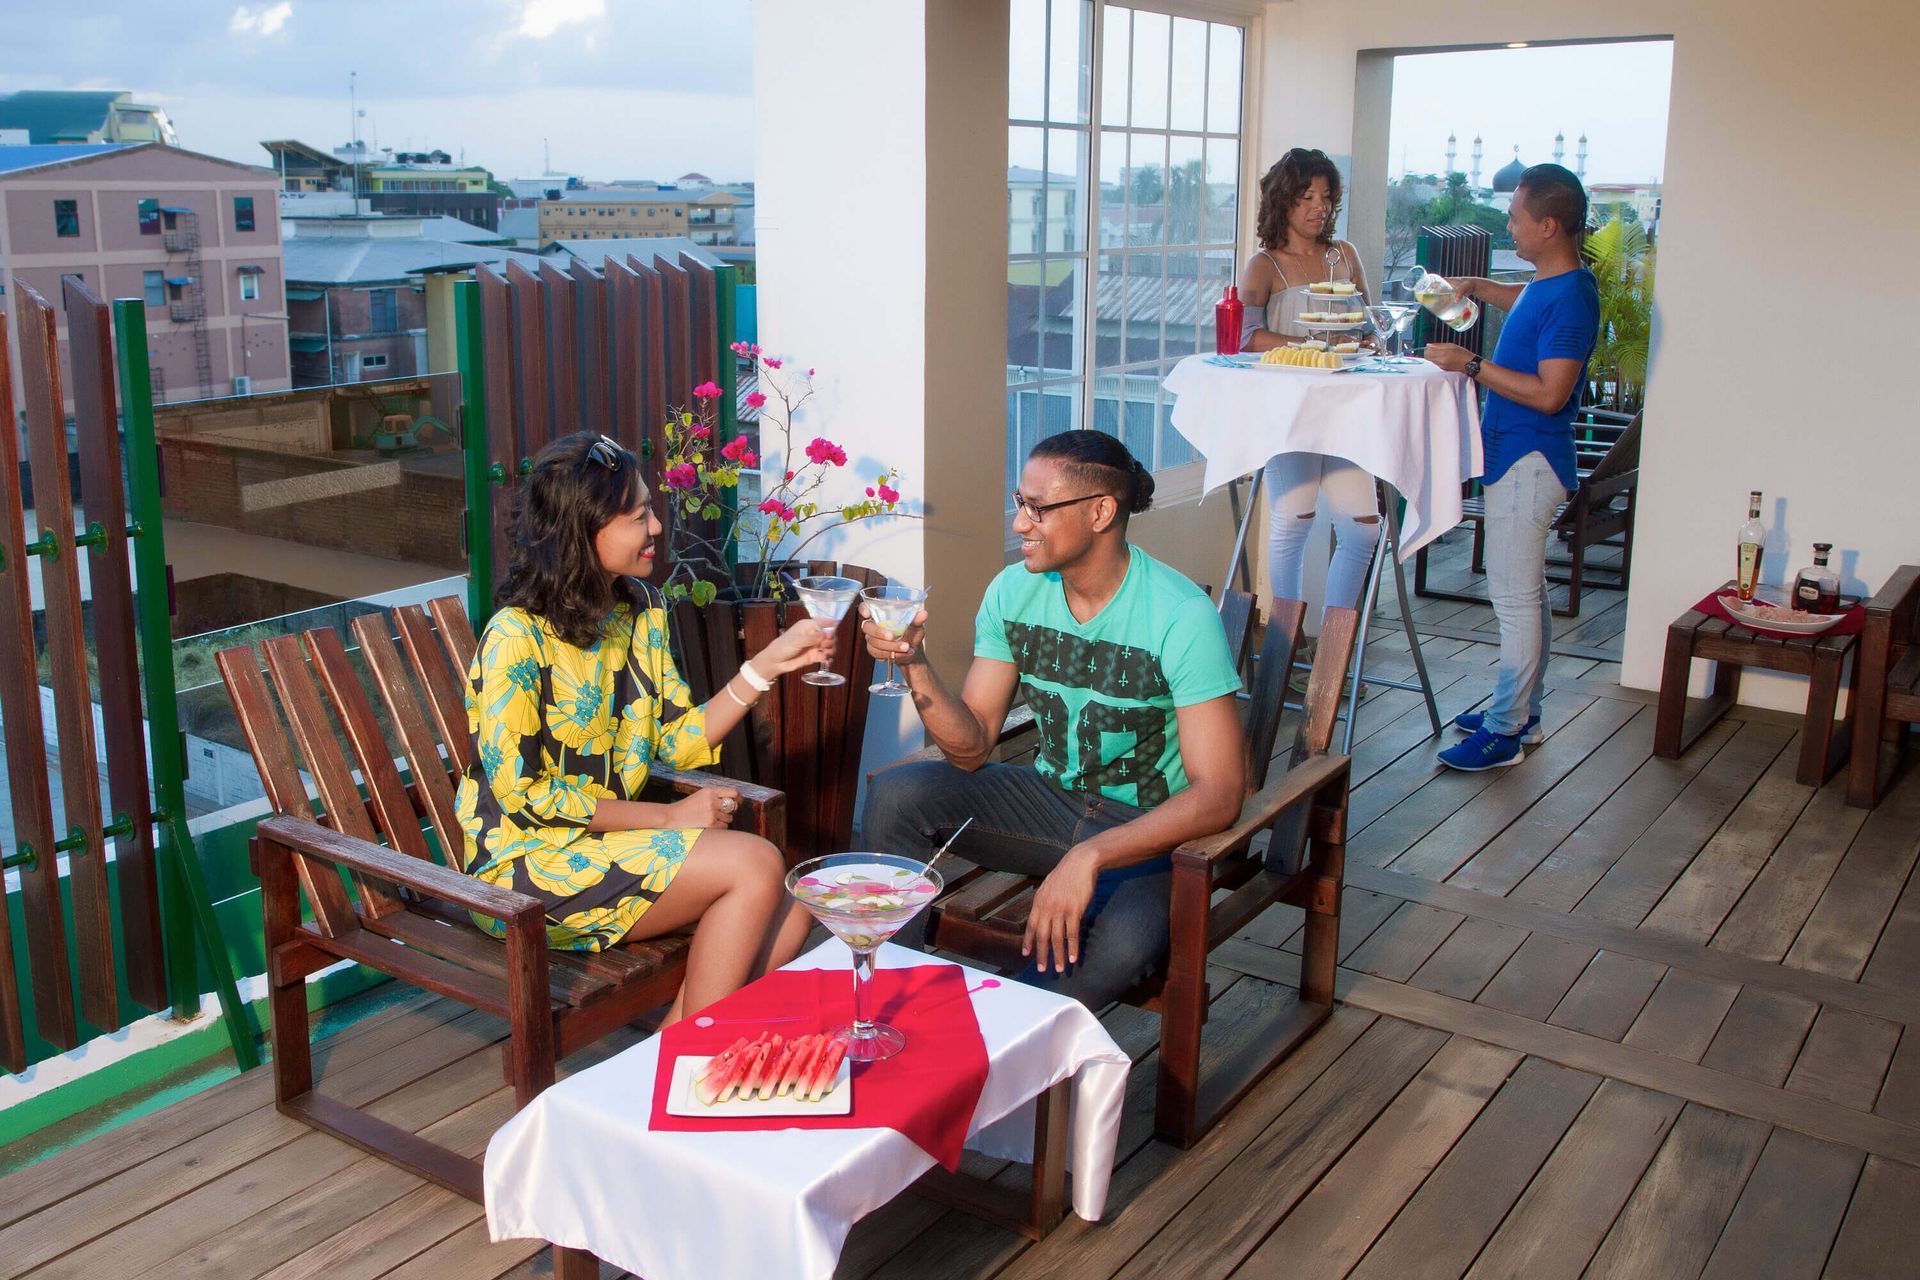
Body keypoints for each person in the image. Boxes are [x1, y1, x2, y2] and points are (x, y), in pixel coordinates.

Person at [455, 431, 833, 1023]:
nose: (656, 527)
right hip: (524, 871)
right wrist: (669, 816)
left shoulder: (639, 610)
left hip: (609, 846)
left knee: (798, 901)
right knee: (757, 867)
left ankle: (669, 1058)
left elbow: (675, 738)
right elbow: (524, 797)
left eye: (650, 510)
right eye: (638, 516)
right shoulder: (514, 638)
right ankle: (691, 1063)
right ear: (585, 531)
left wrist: (764, 667)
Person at [860, 431, 1246, 1008]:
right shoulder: (1014, 591)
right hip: (1050, 802)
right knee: (895, 796)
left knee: (1115, 954)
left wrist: (1089, 856)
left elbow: (1219, 794)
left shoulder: (1179, 615)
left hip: (1150, 831)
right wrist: (915, 665)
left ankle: (1001, 1038)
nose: (1020, 523)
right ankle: (895, 993)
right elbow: (971, 750)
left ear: (1100, 512)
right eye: (1020, 502)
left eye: (1037, 508)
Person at [1424, 164, 1600, 770]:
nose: (1510, 225)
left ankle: (1505, 729)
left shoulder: (1572, 295)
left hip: (1531, 460)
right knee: (1526, 594)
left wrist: (1467, 364)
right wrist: (1474, 282)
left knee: (1514, 597)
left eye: (1517, 217)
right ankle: (1523, 711)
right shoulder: (1553, 285)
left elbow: (1551, 393)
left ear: (1548, 226)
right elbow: (1523, 301)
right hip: (1517, 457)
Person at [1237, 147, 1382, 636]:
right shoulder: (1264, 265)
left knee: (1363, 529)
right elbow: (1247, 338)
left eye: (1326, 196)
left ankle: (1333, 651)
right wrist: (1313, 345)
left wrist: (1363, 336)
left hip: (1346, 409)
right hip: (1290, 410)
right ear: (1283, 202)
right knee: (1294, 522)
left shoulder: (1345, 256)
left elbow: (1369, 322)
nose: (1319, 207)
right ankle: (1285, 641)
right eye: (1306, 197)